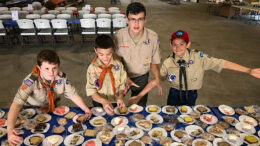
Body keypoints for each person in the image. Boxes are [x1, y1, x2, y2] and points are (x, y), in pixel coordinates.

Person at [7, 49, 92, 145]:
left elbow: (73, 95)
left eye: (54, 68)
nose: (51, 72)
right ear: (39, 67)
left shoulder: (62, 77)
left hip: (52, 107)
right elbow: (16, 104)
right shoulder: (31, 81)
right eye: (47, 68)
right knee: (32, 136)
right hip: (32, 109)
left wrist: (86, 109)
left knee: (54, 135)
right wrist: (10, 129)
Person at [160, 30, 260, 106]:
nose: (178, 48)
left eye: (181, 44)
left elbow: (221, 63)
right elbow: (160, 76)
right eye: (174, 44)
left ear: (188, 44)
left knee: (187, 118)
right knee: (171, 117)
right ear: (170, 45)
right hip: (174, 93)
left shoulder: (199, 57)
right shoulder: (168, 61)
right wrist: (157, 78)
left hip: (191, 94)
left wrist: (248, 70)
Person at [115, 2, 162, 106]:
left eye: (140, 19)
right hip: (121, 75)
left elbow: (154, 62)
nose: (136, 24)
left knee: (139, 106)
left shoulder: (153, 37)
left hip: (142, 77)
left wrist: (157, 78)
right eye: (133, 19)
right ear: (127, 20)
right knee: (116, 104)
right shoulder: (118, 36)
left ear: (145, 20)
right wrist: (125, 77)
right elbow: (114, 60)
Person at [86, 35, 127, 115]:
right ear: (95, 50)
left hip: (115, 101)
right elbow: (90, 89)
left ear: (113, 50)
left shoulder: (119, 65)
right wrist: (103, 101)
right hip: (98, 101)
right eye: (101, 54)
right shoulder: (92, 68)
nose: (105, 58)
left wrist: (121, 97)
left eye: (109, 54)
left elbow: (122, 85)